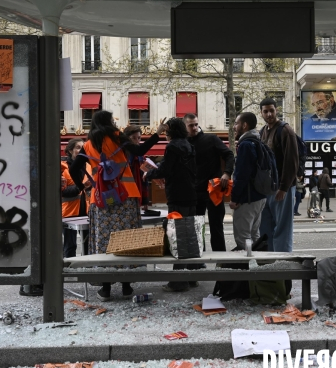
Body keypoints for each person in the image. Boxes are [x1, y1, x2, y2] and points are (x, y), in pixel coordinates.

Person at [71, 110, 166, 301]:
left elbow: (74, 168)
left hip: (103, 200)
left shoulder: (89, 145)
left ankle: (105, 289)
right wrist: (157, 133)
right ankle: (126, 287)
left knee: (105, 241)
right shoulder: (118, 137)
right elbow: (140, 151)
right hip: (127, 195)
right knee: (128, 240)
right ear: (109, 122)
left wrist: (83, 186)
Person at [145, 117, 197, 292]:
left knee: (178, 236)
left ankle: (178, 281)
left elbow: (166, 170)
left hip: (177, 194)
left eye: (166, 131)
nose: (165, 134)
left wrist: (149, 173)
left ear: (170, 132)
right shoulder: (189, 145)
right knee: (189, 235)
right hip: (191, 194)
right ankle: (191, 277)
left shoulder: (172, 146)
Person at [183, 114, 234, 252]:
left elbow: (229, 154)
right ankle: (199, 261)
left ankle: (222, 261)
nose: (194, 127)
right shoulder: (184, 144)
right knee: (197, 229)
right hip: (195, 191)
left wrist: (227, 173)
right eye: (190, 125)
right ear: (185, 127)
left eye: (196, 124)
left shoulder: (211, 139)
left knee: (216, 227)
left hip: (214, 189)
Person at [259, 97, 298, 252]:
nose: (269, 114)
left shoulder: (286, 130)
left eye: (272, 110)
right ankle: (269, 264)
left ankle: (283, 265)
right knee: (265, 228)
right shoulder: (263, 131)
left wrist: (283, 188)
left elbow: (291, 162)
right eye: (265, 111)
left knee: (283, 228)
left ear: (277, 110)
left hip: (283, 188)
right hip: (268, 188)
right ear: (261, 113)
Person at [229, 112, 266, 250]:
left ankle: (248, 268)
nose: (234, 127)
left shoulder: (245, 145)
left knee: (243, 237)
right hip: (259, 196)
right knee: (254, 235)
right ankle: (261, 267)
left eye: (236, 123)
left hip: (248, 198)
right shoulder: (257, 141)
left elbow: (241, 175)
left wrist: (235, 198)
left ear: (244, 125)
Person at [61, 138, 90, 258]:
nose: (81, 150)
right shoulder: (63, 168)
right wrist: (82, 187)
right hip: (69, 213)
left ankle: (89, 269)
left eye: (83, 148)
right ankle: (69, 270)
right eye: (78, 147)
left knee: (89, 245)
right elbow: (63, 192)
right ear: (70, 150)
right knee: (70, 246)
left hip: (87, 211)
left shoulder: (89, 166)